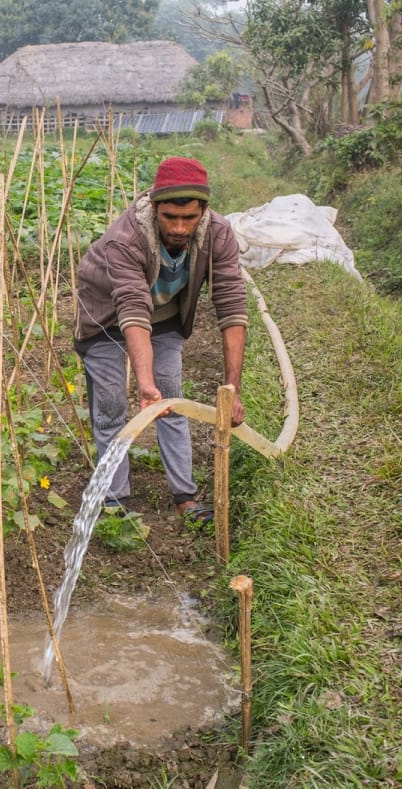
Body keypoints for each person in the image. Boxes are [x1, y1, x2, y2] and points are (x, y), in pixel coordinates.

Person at [73, 156, 248, 522]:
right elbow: (133, 309)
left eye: (190, 218)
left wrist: (233, 387)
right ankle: (114, 501)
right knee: (110, 408)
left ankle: (184, 497)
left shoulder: (218, 232)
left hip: (164, 313)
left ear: (204, 209)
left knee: (172, 400)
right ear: (154, 207)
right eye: (171, 217)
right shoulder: (126, 238)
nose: (181, 228)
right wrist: (144, 382)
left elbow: (231, 303)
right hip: (104, 314)